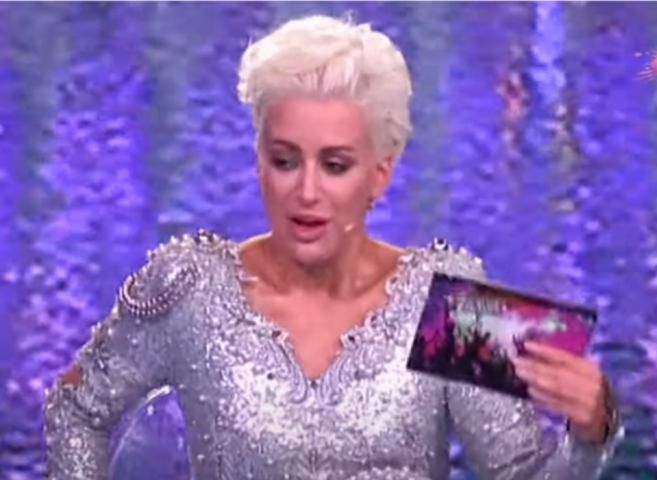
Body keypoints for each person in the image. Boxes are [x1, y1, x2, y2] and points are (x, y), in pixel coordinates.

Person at [43, 15, 621, 480]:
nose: (306, 192)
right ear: (259, 163)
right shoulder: (188, 287)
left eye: (336, 165)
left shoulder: (448, 301)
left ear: (380, 174)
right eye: (284, 160)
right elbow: (76, 412)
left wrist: (590, 432)